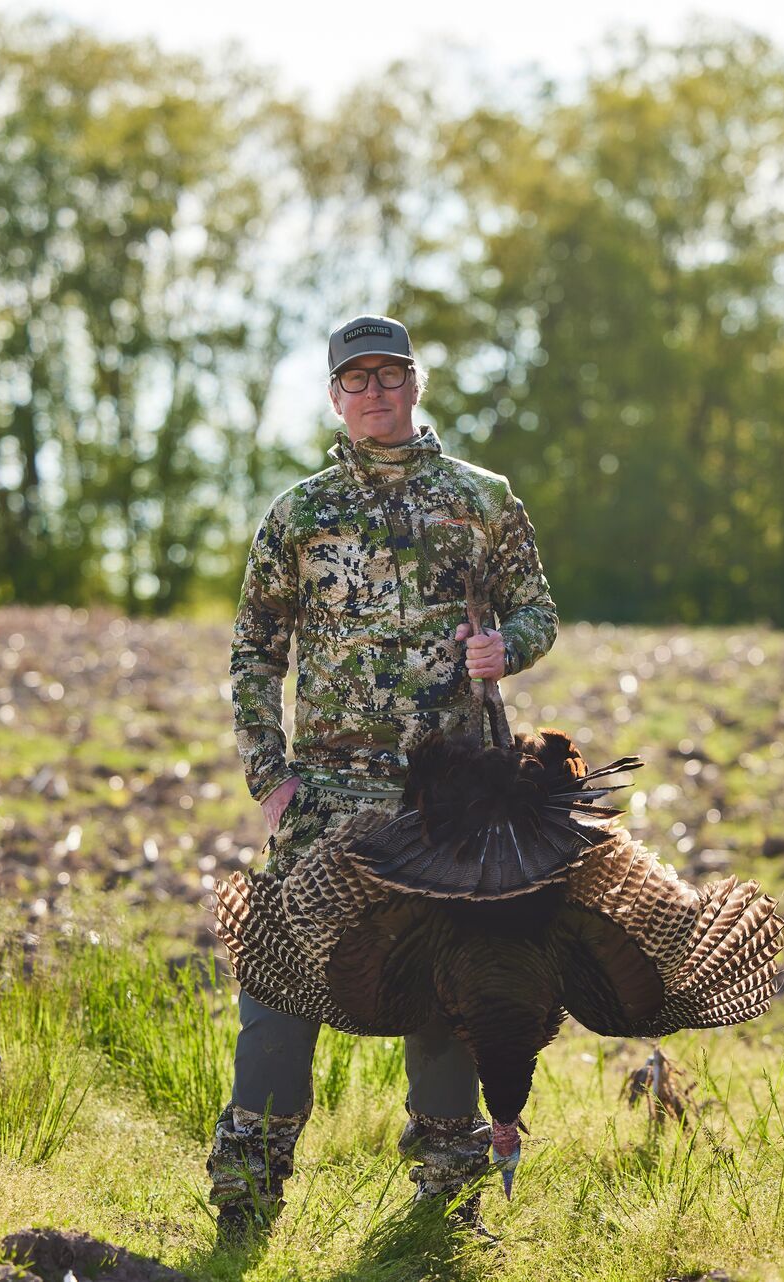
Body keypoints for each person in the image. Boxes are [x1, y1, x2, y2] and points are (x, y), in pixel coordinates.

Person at [209, 314, 560, 1244]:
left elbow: (536, 612)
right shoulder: (300, 513)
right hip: (325, 799)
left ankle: (444, 1208)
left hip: (448, 806)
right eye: (355, 379)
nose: (374, 392)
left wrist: (504, 647)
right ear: (335, 397)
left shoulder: (482, 499)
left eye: (390, 376)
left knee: (448, 994)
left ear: (416, 385)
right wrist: (269, 775)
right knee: (281, 986)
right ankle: (246, 1201)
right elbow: (253, 652)